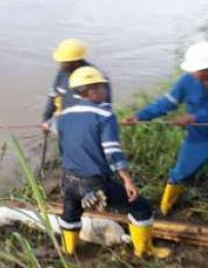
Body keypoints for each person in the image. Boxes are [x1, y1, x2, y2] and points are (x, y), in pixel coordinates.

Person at [52, 66, 169, 258]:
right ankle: (144, 250)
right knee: (141, 207)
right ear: (92, 90)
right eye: (102, 87)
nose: (105, 91)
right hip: (93, 184)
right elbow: (112, 152)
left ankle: (69, 250)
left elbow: (61, 136)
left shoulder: (63, 117)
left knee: (71, 212)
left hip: (67, 180)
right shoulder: (105, 116)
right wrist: (127, 180)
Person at [124, 42, 208, 216]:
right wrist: (140, 116)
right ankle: (166, 206)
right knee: (179, 172)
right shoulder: (187, 81)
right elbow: (167, 103)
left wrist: (195, 118)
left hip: (200, 126)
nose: (192, 72)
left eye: (197, 69)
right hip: (199, 138)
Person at [42, 38, 111, 130]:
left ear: (76, 62)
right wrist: (46, 120)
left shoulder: (95, 78)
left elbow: (105, 109)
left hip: (86, 128)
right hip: (65, 122)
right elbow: (53, 96)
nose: (61, 65)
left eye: (64, 63)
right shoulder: (62, 73)